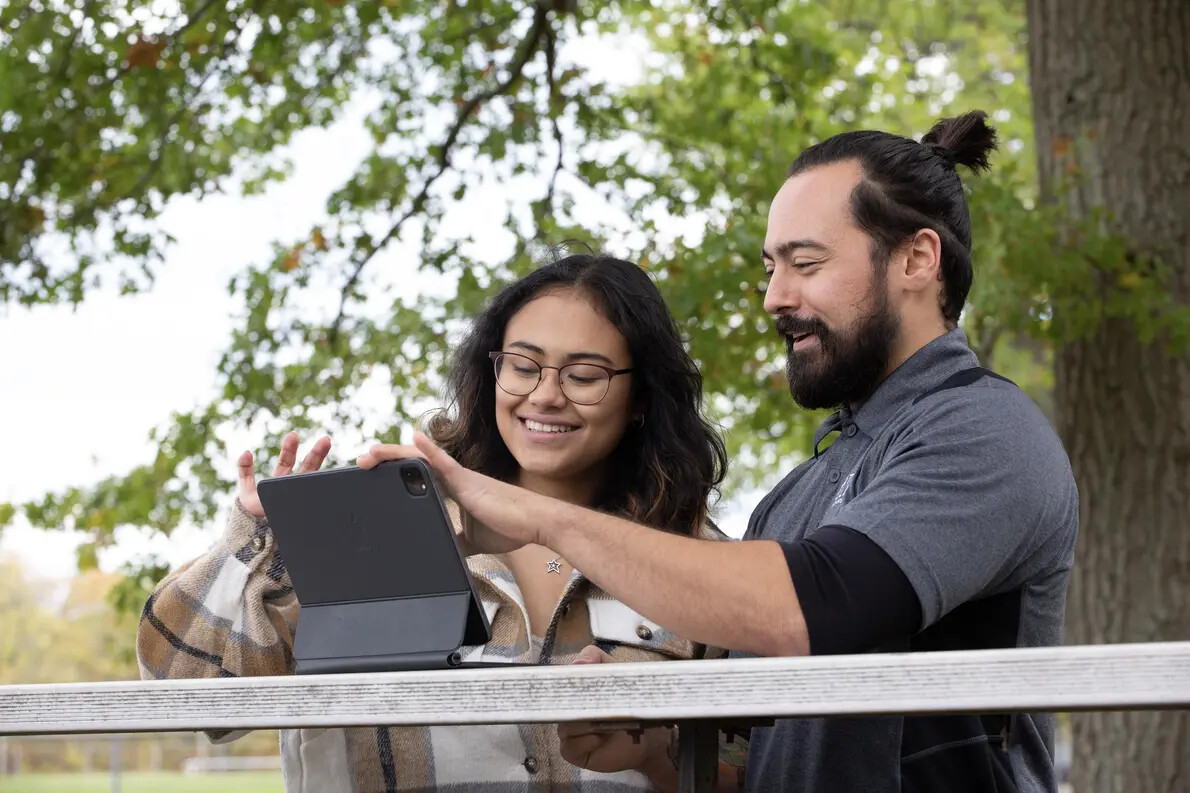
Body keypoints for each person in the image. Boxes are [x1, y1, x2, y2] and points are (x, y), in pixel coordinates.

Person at [361, 111, 1079, 793]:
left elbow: (820, 603)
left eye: (804, 263)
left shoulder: (985, 431)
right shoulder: (800, 491)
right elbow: (755, 759)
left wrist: (538, 514)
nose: (773, 296)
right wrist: (652, 751)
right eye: (771, 266)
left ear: (918, 259)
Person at [136, 252, 730, 793]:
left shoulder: (699, 561)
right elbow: (183, 693)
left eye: (583, 375)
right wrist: (260, 545)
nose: (546, 396)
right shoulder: (369, 526)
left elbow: (771, 767)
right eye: (523, 366)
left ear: (642, 399)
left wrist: (656, 756)